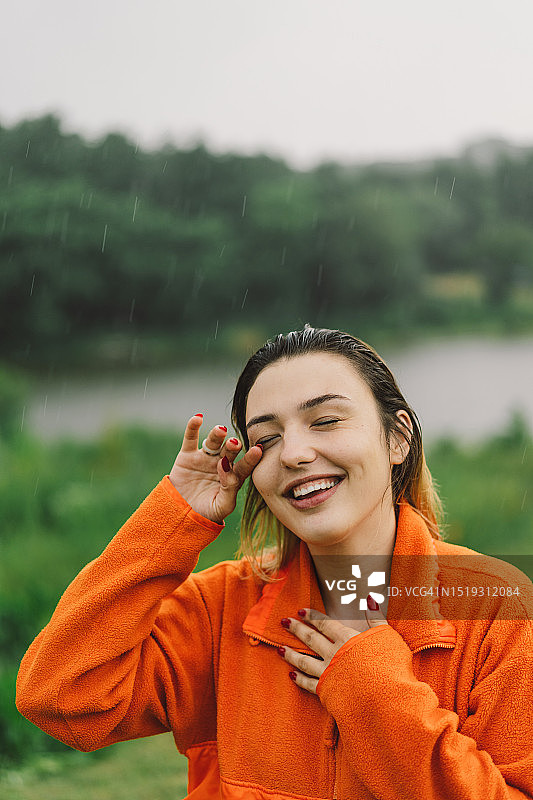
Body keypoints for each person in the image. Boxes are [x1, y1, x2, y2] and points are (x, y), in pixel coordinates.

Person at [16, 326, 533, 799]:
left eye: (325, 420)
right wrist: (175, 519)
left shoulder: (497, 607)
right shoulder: (221, 607)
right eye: (266, 438)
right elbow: (61, 697)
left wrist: (372, 692)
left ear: (397, 437)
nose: (294, 453)